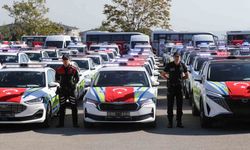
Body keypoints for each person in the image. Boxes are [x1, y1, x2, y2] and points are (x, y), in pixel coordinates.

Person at [161, 51, 189, 128]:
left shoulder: (182, 65)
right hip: (171, 88)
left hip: (179, 88)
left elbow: (187, 75)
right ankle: (170, 123)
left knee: (179, 106)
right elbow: (162, 74)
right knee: (170, 106)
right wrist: (168, 79)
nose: (177, 58)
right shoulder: (169, 65)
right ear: (173, 57)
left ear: (180, 57)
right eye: (176, 56)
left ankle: (179, 122)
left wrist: (181, 79)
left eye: (178, 57)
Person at [55, 54, 79, 128]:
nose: (65, 61)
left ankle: (75, 124)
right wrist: (59, 85)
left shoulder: (74, 69)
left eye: (66, 60)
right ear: (62, 61)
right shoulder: (59, 70)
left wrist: (74, 84)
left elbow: (77, 78)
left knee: (74, 107)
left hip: (71, 91)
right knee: (62, 107)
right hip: (62, 91)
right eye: (64, 60)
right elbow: (56, 79)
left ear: (69, 60)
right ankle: (61, 124)